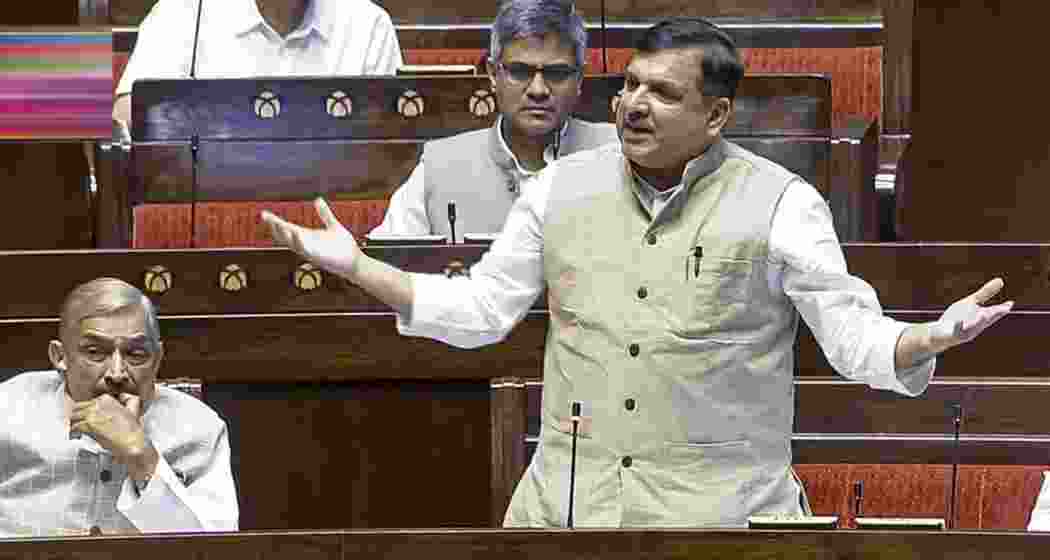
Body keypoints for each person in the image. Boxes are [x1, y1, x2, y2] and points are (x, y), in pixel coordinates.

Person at [261, 18, 1013, 527]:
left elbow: (852, 341)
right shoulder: (559, 188)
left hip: (719, 522)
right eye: (628, 86)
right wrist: (359, 266)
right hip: (567, 514)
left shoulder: (784, 204)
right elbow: (482, 311)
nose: (633, 106)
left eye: (663, 93)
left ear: (716, 116)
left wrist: (923, 341)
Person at [0, 278, 238, 537]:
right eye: (95, 352)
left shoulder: (199, 429)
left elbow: (212, 548)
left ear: (157, 359)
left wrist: (140, 455)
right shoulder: (9, 408)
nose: (116, 373)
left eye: (135, 354)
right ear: (60, 357)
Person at [369, 0, 617, 241]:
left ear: (580, 78)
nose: (538, 90)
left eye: (557, 73)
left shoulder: (617, 154)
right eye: (520, 72)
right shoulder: (439, 167)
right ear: (492, 74)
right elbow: (390, 263)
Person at [113, 0, 403, 126]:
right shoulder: (182, 12)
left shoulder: (369, 25)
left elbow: (395, 155)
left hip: (336, 222)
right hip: (209, 209)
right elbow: (126, 119)